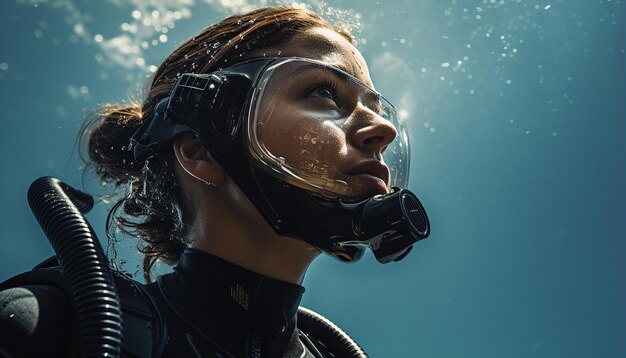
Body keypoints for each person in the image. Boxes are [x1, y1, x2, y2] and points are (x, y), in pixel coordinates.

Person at [0, 6, 429, 357]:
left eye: (377, 108)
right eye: (323, 92)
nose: (382, 129)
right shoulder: (50, 326)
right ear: (200, 149)